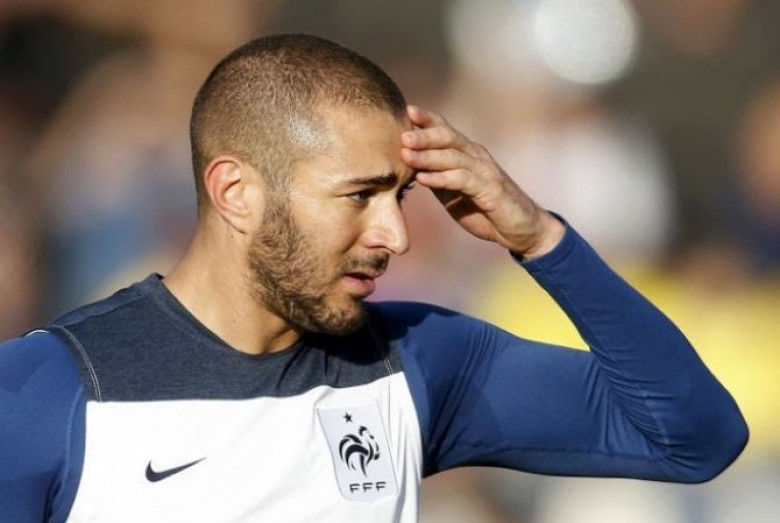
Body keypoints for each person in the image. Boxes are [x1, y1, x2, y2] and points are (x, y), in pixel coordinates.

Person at [0, 34, 747, 523]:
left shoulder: (418, 361)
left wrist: (541, 239)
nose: (396, 234)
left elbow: (695, 437)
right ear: (236, 191)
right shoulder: (45, 392)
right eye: (359, 195)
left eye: (402, 195)